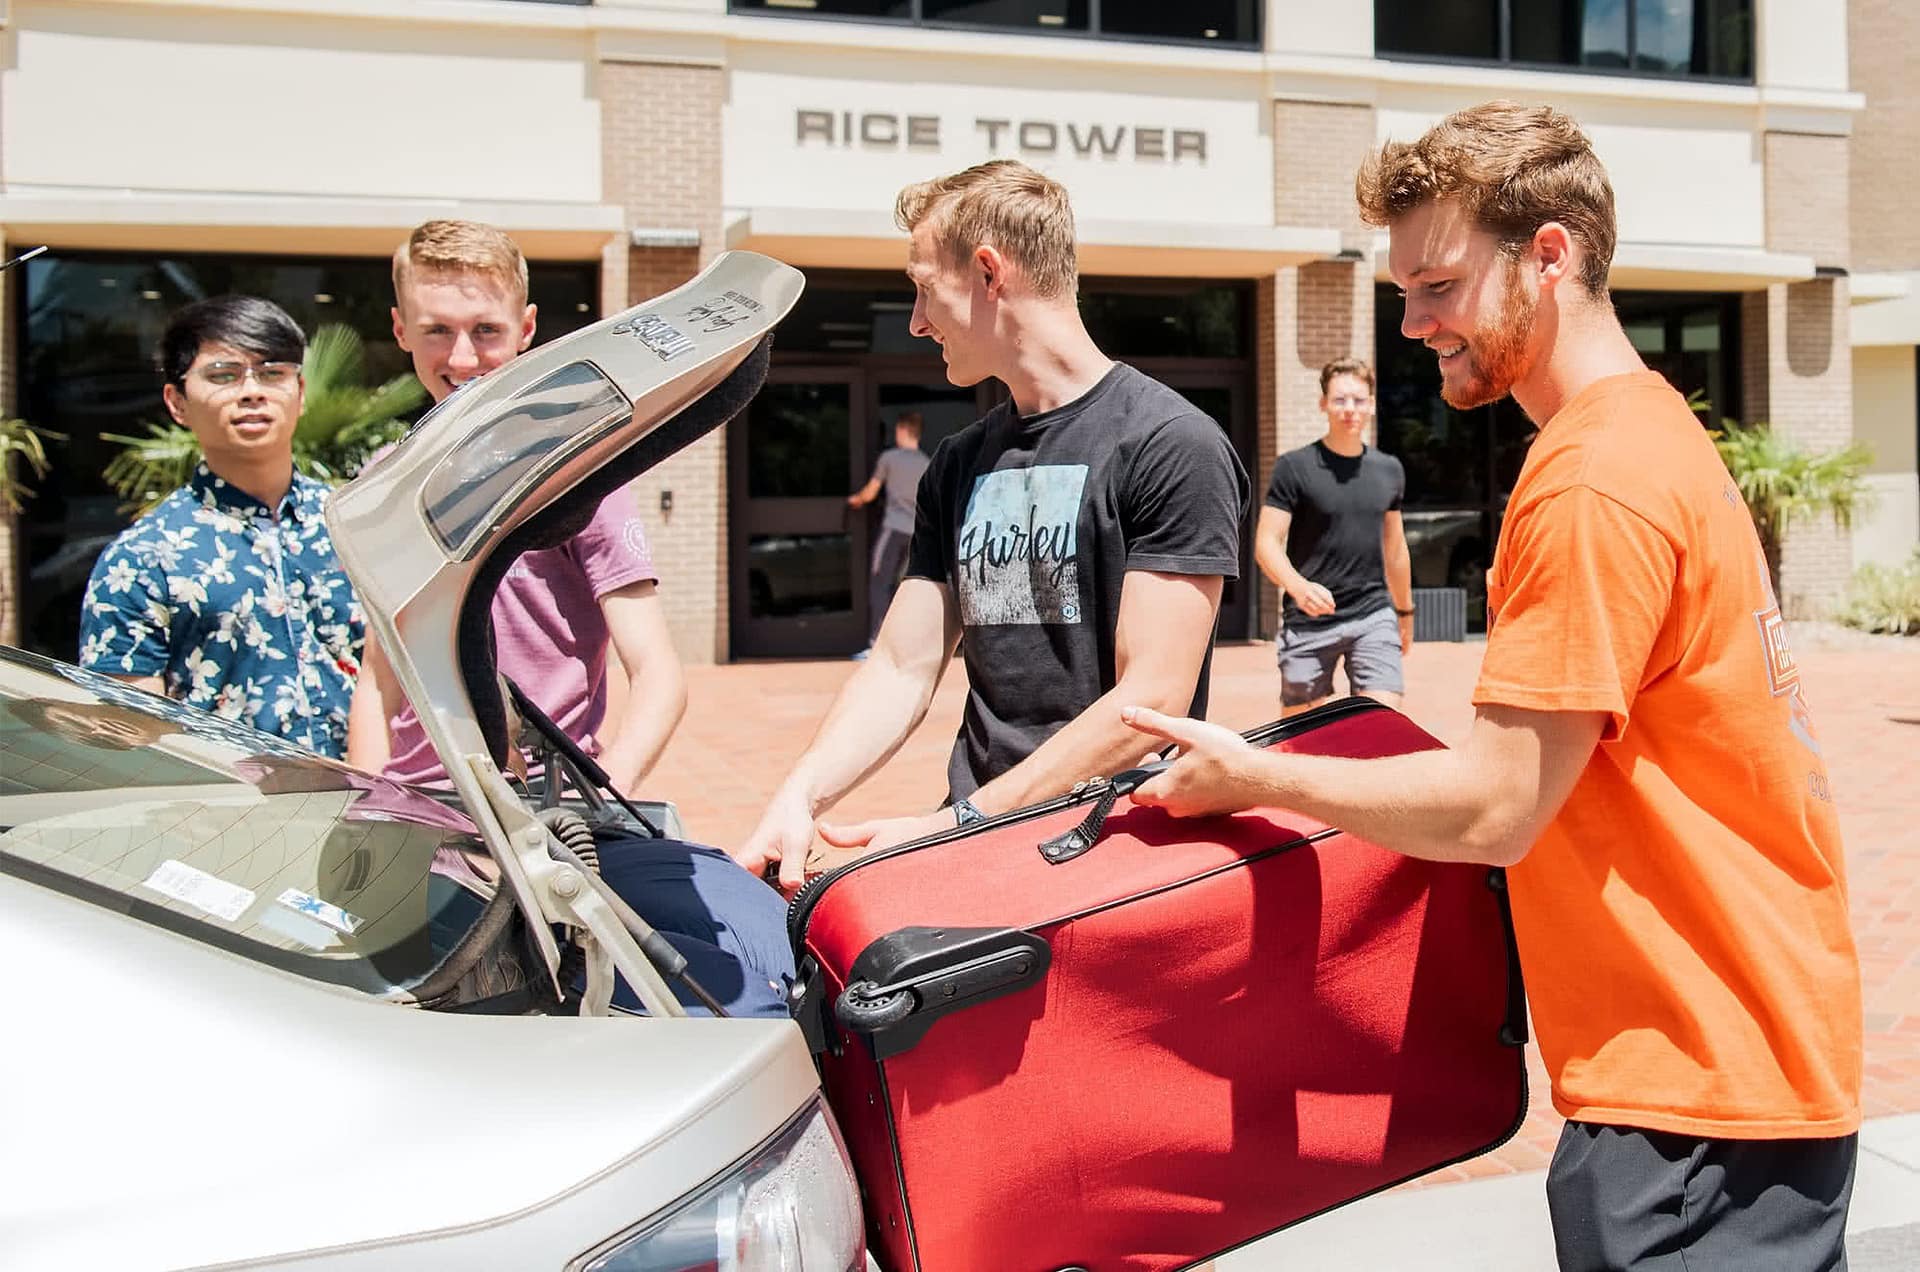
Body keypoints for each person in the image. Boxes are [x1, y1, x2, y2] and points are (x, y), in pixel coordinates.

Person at [1120, 102, 1860, 1270]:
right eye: (1403, 294)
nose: (1412, 325)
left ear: (1550, 254)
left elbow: (1497, 807)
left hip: (1691, 1095)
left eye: (1439, 286)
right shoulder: (1652, 431)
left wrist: (1253, 774)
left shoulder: (1590, 482)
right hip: (1739, 1063)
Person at [735, 159, 1248, 893]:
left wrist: (963, 823)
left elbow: (1151, 703)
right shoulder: (960, 459)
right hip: (980, 841)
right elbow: (901, 667)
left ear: (987, 272)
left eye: (922, 287)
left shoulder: (1172, 444)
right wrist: (801, 793)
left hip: (1111, 864)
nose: (915, 321)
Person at [345, 219, 687, 798]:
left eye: (485, 330)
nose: (463, 355)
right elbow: (380, 676)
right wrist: (364, 799)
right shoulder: (382, 480)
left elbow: (659, 675)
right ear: (400, 328)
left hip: (543, 799)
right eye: (436, 330)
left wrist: (602, 796)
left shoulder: (581, 475)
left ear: (525, 328)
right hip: (415, 799)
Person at [78, 296, 363, 757]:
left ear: (301, 392)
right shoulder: (142, 558)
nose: (252, 391)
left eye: (273, 372)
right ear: (177, 402)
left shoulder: (355, 523)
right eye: (223, 375)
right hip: (221, 816)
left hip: (376, 809)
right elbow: (127, 741)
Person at [1256, 357, 1414, 714]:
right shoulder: (1293, 467)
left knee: (1383, 720)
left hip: (1373, 613)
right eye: (1340, 400)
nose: (1350, 409)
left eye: (1359, 400)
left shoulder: (1389, 470)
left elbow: (1395, 549)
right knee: (1302, 735)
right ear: (1323, 403)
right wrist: (1298, 587)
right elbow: (1266, 543)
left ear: (1371, 405)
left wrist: (1404, 611)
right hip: (1310, 621)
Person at [847, 410, 931, 658]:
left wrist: (855, 501)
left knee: (879, 583)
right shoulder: (927, 463)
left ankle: (876, 645)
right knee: (905, 588)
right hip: (914, 534)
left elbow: (871, 492)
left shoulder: (890, 458)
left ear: (902, 431)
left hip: (893, 530)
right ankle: (905, 647)